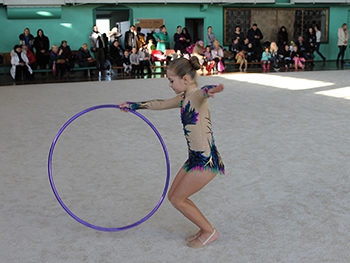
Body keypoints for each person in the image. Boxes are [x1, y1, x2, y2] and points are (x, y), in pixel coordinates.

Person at [119, 56, 225, 248]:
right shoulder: (183, 98)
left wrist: (211, 89)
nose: (169, 84)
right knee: (173, 196)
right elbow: (160, 104)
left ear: (185, 79)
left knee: (178, 199)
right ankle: (204, 229)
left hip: (206, 162)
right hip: (194, 158)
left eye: (171, 80)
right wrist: (134, 105)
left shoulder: (195, 96)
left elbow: (202, 93)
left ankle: (210, 232)